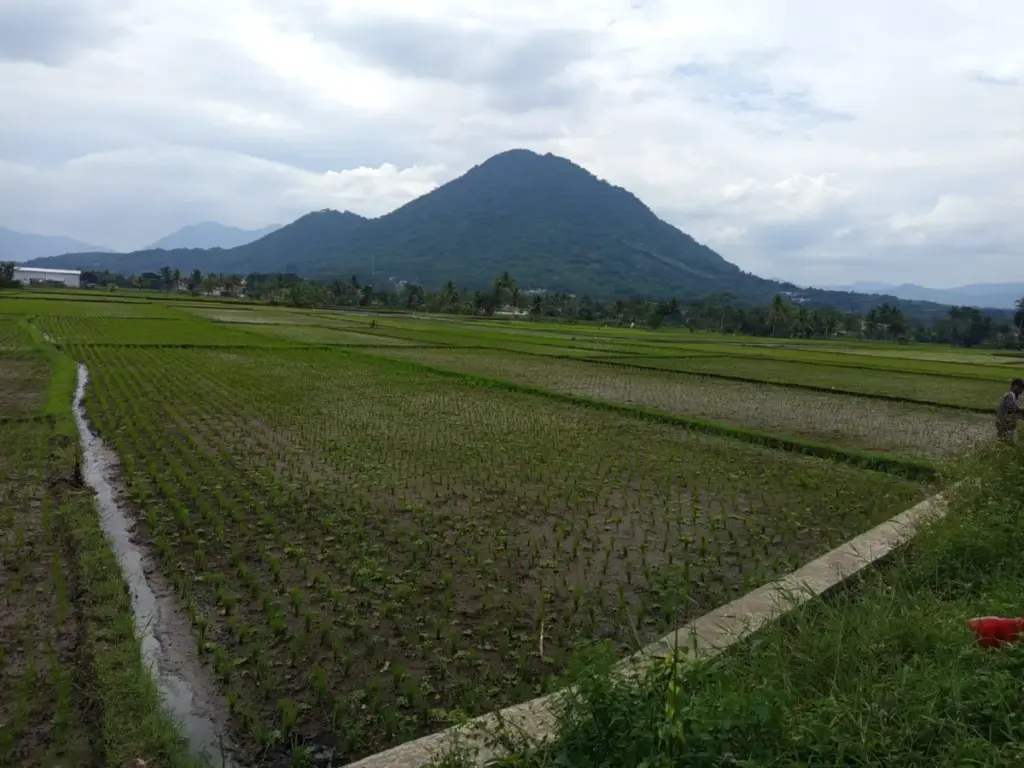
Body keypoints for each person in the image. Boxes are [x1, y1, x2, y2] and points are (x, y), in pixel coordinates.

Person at [996, 378, 1024, 443]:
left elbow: (1015, 413)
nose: (1021, 391)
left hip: (1006, 425)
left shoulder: (1014, 397)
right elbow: (1012, 409)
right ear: (1014, 386)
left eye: (1022, 388)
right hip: (1004, 426)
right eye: (1020, 388)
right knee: (1007, 443)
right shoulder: (1010, 395)